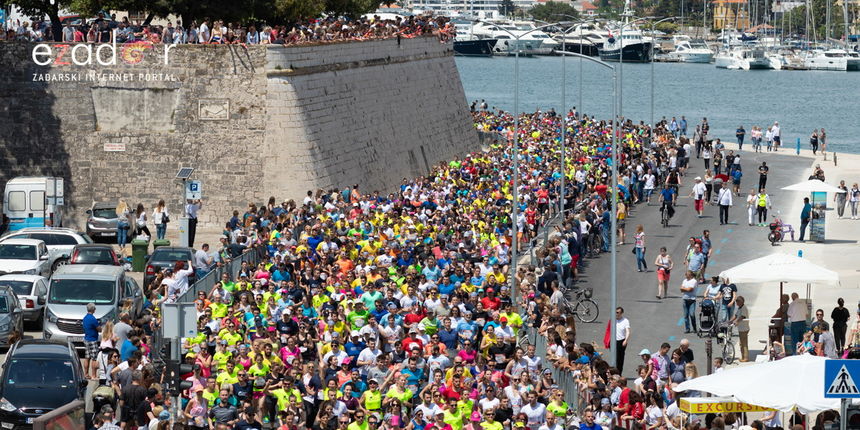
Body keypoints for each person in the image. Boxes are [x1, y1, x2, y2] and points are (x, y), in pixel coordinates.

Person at [83, 302, 101, 380]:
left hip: (86, 339)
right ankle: (93, 375)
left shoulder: (85, 318)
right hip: (92, 340)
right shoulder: (93, 319)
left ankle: (86, 374)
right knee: (94, 358)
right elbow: (99, 329)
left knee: (87, 357)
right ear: (93, 309)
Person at [732, 296, 750, 362]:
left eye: (737, 302)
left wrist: (737, 321)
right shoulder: (740, 307)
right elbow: (736, 315)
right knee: (741, 343)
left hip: (744, 329)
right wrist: (730, 321)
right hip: (741, 329)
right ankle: (743, 357)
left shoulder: (743, 308)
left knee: (744, 343)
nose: (736, 303)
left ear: (741, 302)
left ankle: (745, 358)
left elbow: (742, 316)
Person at [615, 307, 631, 374]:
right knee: (614, 357)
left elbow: (628, 331)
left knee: (620, 358)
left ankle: (619, 373)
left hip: (621, 341)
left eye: (618, 312)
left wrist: (626, 340)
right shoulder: (613, 320)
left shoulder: (625, 321)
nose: (616, 314)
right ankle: (614, 372)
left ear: (621, 313)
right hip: (614, 341)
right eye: (616, 312)